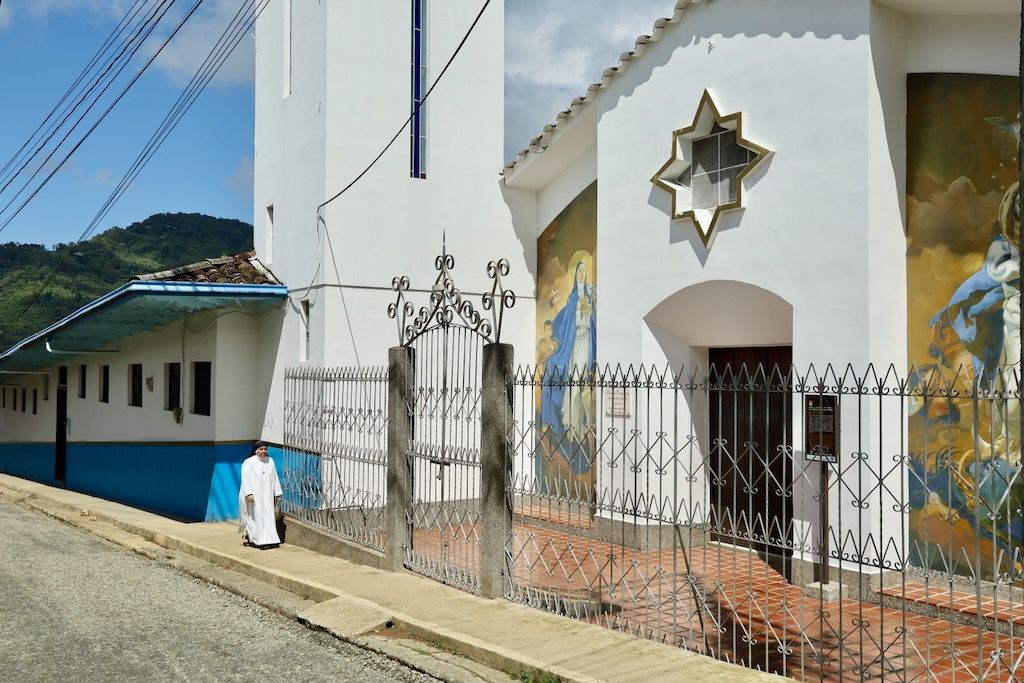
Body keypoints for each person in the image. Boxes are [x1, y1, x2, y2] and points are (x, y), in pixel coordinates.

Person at [238, 441, 283, 548]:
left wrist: (277, 493)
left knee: (268, 518)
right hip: (255, 496)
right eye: (261, 449)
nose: (263, 451)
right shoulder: (248, 462)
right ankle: (256, 540)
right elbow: (245, 479)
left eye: (265, 449)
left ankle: (270, 540)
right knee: (255, 517)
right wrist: (248, 493)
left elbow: (275, 477)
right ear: (256, 450)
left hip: (267, 495)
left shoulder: (270, 461)